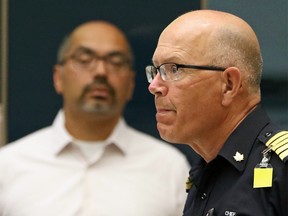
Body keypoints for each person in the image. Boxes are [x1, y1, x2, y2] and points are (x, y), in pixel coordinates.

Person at [0, 21, 190, 216]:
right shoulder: (8, 166)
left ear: (131, 83)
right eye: (84, 59)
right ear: (58, 77)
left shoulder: (170, 168)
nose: (101, 72)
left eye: (115, 62)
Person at [146, 9, 288, 216]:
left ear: (229, 85)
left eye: (174, 69)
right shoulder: (204, 171)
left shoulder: (282, 170)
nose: (155, 86)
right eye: (156, 70)